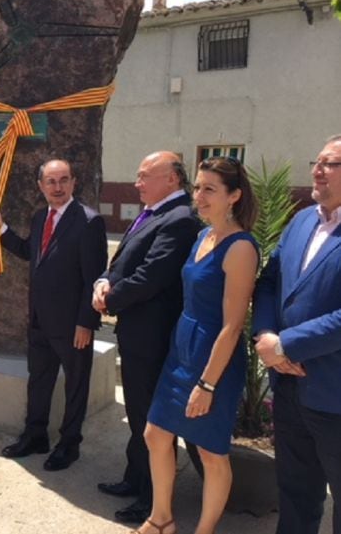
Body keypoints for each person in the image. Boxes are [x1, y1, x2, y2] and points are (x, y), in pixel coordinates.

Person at [139, 156, 258, 534]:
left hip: (214, 356)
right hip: (183, 346)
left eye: (210, 189)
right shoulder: (202, 236)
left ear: (234, 196)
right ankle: (161, 520)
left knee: (210, 450)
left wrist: (207, 384)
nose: (200, 196)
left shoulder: (240, 247)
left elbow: (233, 325)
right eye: (197, 187)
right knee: (155, 433)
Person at [92, 151, 201, 524]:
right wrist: (105, 280)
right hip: (137, 331)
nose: (137, 183)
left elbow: (153, 275)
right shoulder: (155, 212)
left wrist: (110, 299)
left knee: (152, 421)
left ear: (172, 179)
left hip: (153, 336)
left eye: (144, 176)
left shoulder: (180, 218)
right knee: (138, 413)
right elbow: (125, 261)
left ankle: (153, 501)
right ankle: (134, 478)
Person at [0, 159, 107, 471]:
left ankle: (69, 445)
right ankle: (35, 435)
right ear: (40, 186)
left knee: (75, 385)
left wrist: (86, 322)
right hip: (39, 320)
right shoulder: (41, 217)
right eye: (51, 182)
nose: (57, 187)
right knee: (38, 381)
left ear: (74, 182)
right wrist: (1, 229)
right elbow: (31, 252)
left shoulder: (89, 222)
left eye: (63, 180)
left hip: (72, 325)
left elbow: (93, 278)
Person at [253, 134, 341, 534]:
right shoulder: (302, 219)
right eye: (317, 161)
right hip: (288, 388)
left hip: (333, 393)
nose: (316, 170)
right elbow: (270, 280)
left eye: (329, 164)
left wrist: (286, 344)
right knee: (295, 490)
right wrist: (266, 335)